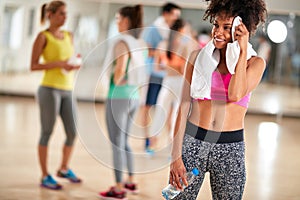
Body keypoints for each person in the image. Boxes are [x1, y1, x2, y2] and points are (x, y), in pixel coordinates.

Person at [168, 0, 267, 199]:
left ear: (241, 28)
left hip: (230, 148)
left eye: (226, 27)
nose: (217, 32)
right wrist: (175, 157)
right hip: (193, 142)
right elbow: (183, 106)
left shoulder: (254, 63)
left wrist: (242, 50)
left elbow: (235, 94)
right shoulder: (196, 57)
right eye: (216, 25)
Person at [30, 0, 81, 190]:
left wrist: (74, 64)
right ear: (50, 15)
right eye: (61, 13)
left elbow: (68, 59)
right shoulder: (43, 37)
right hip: (48, 90)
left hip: (67, 89)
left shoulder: (69, 35)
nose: (65, 17)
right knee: (47, 132)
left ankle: (64, 168)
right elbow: (33, 65)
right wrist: (58, 64)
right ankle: (44, 175)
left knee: (72, 132)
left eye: (66, 13)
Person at [98, 5, 146, 200]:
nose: (117, 22)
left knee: (116, 143)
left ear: (126, 20)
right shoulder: (139, 42)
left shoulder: (121, 42)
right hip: (134, 97)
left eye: (118, 18)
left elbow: (119, 71)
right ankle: (130, 181)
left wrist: (115, 79)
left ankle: (118, 187)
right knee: (124, 141)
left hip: (118, 97)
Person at [148, 19, 198, 151]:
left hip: (176, 82)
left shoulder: (172, 45)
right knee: (165, 111)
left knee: (171, 113)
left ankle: (168, 146)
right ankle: (156, 144)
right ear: (181, 30)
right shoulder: (172, 45)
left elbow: (159, 67)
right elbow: (185, 67)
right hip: (173, 82)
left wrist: (169, 66)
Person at [141, 2, 181, 152]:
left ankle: (170, 143)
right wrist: (160, 53)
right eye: (174, 15)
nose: (176, 18)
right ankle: (148, 141)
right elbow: (146, 50)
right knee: (148, 107)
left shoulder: (174, 32)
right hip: (154, 74)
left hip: (169, 77)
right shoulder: (153, 29)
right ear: (166, 14)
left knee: (169, 110)